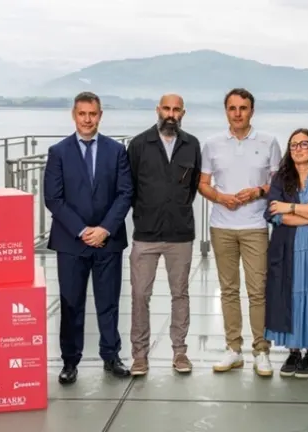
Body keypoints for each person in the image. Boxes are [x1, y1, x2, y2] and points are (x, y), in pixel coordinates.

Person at [43, 91, 133, 384]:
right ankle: (70, 361)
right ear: (74, 115)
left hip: (108, 239)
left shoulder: (116, 151)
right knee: (71, 302)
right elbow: (53, 199)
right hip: (71, 241)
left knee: (108, 302)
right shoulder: (58, 152)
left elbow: (125, 193)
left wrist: (104, 228)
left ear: (100, 115)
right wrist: (83, 231)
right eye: (82, 114)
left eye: (92, 114)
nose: (87, 119)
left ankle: (111, 356)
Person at [198, 88, 282, 376]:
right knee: (228, 291)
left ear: (252, 111)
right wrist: (221, 198)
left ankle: (261, 350)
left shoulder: (269, 142)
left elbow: (278, 185)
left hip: (255, 226)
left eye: (243, 108)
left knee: (258, 291)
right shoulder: (211, 144)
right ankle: (233, 348)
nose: (237, 113)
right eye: (232, 108)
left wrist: (258, 191)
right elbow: (203, 183)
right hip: (221, 226)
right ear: (226, 111)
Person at [126, 94, 202, 376]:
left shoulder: (191, 145)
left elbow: (192, 187)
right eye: (166, 109)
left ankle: (180, 352)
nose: (171, 114)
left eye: (176, 110)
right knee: (139, 294)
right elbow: (130, 187)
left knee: (179, 294)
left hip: (180, 234)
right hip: (145, 233)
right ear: (158, 110)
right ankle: (139, 355)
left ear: (183, 112)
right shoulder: (138, 145)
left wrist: (176, 209)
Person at [263, 128, 308, 379]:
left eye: (304, 144)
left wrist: (291, 208)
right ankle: (294, 351)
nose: (299, 149)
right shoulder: (281, 179)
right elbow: (274, 214)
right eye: (294, 145)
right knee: (291, 298)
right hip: (287, 249)